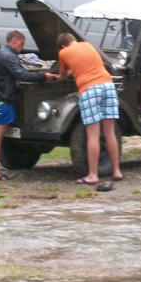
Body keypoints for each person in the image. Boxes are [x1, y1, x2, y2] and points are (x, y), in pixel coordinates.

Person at [0, 30, 54, 181]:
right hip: (4, 102)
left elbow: (3, 76)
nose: (21, 48)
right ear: (15, 40)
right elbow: (22, 75)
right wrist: (44, 77)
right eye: (21, 44)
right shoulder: (10, 57)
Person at [56, 32, 123, 191]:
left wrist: (61, 75)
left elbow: (63, 76)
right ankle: (117, 171)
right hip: (108, 85)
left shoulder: (63, 52)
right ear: (74, 40)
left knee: (93, 134)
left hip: (89, 89)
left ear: (63, 45)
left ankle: (92, 175)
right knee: (109, 132)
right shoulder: (88, 45)